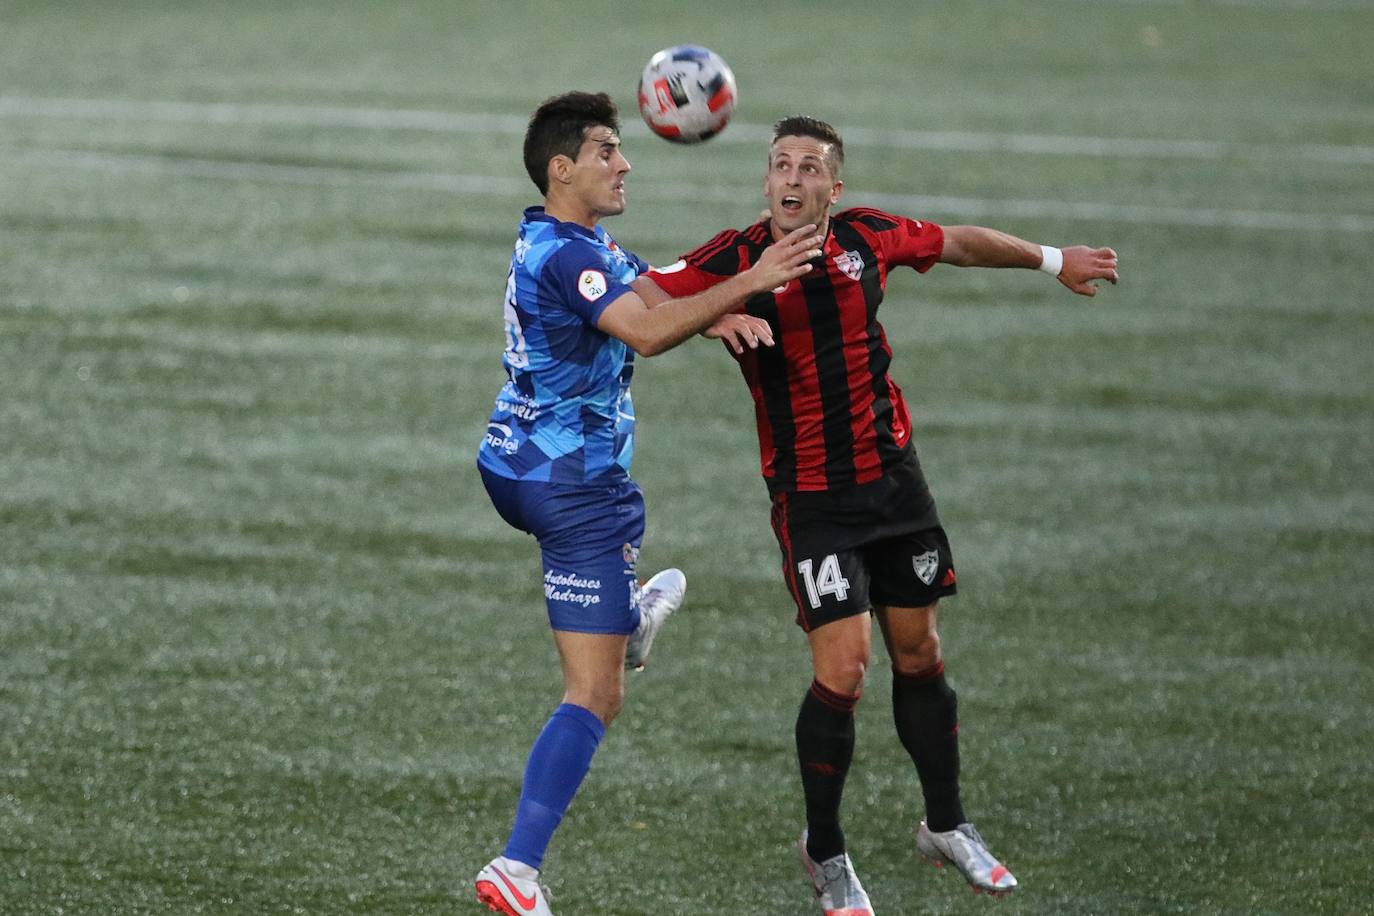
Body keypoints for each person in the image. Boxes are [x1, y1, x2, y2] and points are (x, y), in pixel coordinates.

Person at [635, 115, 1119, 913]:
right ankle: (824, 851)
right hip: (813, 498)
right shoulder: (732, 256)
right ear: (766, 183)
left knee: (921, 651)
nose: (793, 179)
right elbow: (644, 292)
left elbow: (956, 241)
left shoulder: (867, 237)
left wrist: (1055, 259)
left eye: (811, 168)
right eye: (781, 165)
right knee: (845, 669)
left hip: (897, 485)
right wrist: (719, 309)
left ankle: (947, 823)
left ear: (835, 187)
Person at [472, 93, 824, 916]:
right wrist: (753, 278)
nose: (624, 163)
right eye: (605, 151)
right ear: (563, 169)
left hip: (513, 464)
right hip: (575, 490)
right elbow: (644, 330)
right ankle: (516, 869)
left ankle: (623, 619)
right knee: (594, 694)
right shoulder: (573, 258)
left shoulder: (562, 240)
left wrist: (713, 315)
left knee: (602, 628)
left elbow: (650, 300)